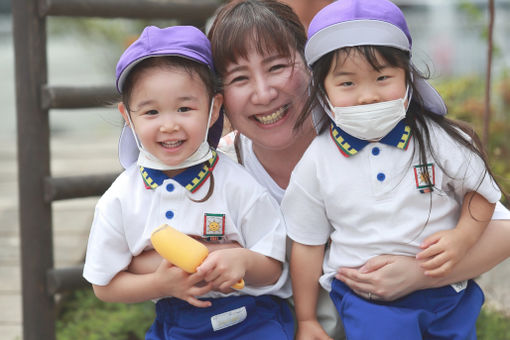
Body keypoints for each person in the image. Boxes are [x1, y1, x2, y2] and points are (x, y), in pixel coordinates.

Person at [128, 1, 510, 339]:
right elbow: (137, 251)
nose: (263, 93)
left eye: (278, 67)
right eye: (240, 78)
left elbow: (502, 229)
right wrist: (215, 257)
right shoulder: (219, 172)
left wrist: (422, 275)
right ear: (219, 97)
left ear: (312, 68)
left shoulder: (388, 135)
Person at [281, 0, 507, 339]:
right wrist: (307, 318)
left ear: (407, 78)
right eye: (347, 83)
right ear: (322, 91)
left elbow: (481, 191)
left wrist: (462, 239)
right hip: (369, 299)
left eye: (383, 77)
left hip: (447, 291)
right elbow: (307, 244)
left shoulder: (438, 139)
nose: (368, 96)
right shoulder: (317, 160)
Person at [82, 25, 294, 339]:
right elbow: (104, 285)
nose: (169, 125)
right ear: (128, 117)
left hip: (251, 319)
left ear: (213, 109)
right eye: (151, 111)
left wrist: (244, 260)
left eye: (185, 108)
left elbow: (274, 267)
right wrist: (157, 284)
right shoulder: (121, 198)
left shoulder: (237, 184)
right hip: (176, 323)